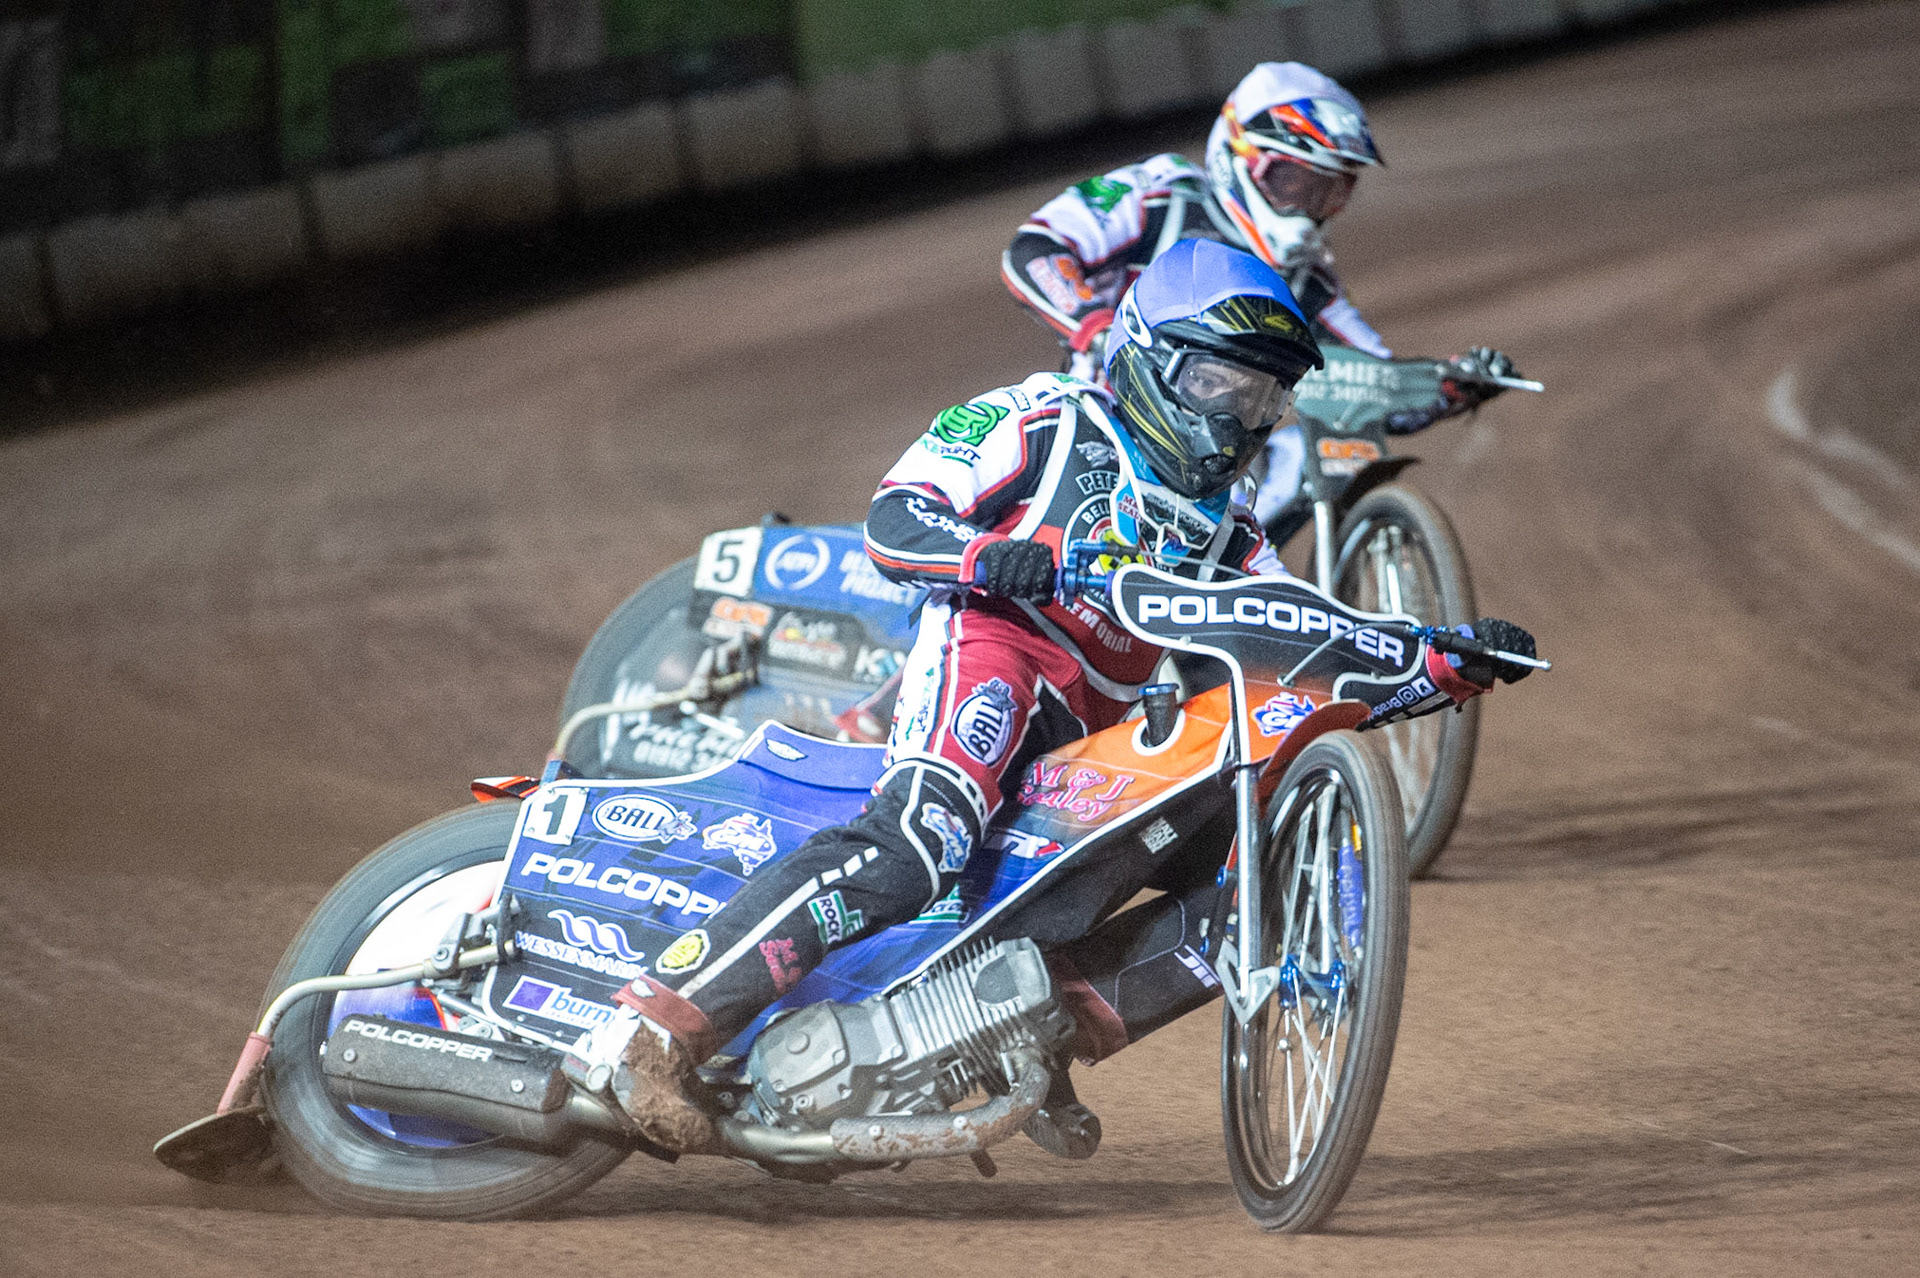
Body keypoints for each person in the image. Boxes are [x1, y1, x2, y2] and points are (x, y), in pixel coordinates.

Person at [610, 240, 1534, 1154]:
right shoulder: (1041, 417)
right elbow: (894, 519)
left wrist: (1438, 663)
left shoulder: (1232, 526)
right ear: (1147, 357)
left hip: (1101, 724)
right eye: (1217, 383)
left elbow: (1305, 635)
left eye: (1260, 398)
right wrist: (987, 557)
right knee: (920, 841)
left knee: (1262, 866)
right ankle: (660, 1028)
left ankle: (1038, 1023)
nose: (1236, 418)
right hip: (996, 648)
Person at [1001, 61, 1521, 528]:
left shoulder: (1307, 279)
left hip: (1216, 454)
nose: (1307, 207)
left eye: (1328, 191)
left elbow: (1369, 379)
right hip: (1102, 426)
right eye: (1294, 182)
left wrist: (1446, 384)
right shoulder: (1162, 193)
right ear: (1238, 157)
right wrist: (1093, 324)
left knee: (1299, 453)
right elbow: (1036, 249)